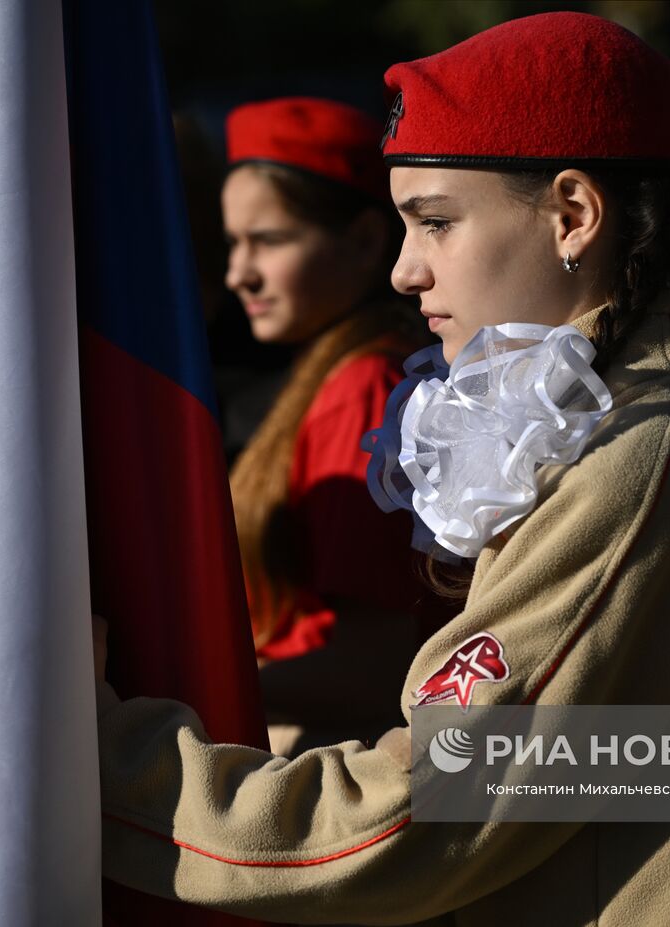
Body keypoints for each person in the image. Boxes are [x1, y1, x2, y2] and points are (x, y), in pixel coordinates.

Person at [95, 13, 670, 924]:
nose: (402, 271)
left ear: (573, 214)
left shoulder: (633, 444)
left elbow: (428, 806)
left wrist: (101, 758)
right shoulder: (617, 406)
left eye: (436, 223)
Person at [219, 97, 444, 755]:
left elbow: (373, 662)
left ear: (367, 240)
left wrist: (198, 685)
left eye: (270, 240)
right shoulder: (336, 375)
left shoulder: (364, 391)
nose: (239, 272)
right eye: (233, 243)